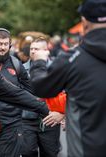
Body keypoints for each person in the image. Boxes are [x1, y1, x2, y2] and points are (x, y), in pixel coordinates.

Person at [29, 0, 106, 156]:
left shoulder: (71, 59)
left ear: (84, 22)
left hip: (86, 149)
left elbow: (41, 88)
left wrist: (39, 62)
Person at [0, 28, 32, 157]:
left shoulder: (16, 65)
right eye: (0, 44)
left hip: (12, 125)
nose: (3, 47)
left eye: (6, 44)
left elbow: (29, 92)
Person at [21, 37, 65, 157]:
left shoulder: (57, 68)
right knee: (27, 152)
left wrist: (63, 114)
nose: (33, 51)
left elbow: (68, 93)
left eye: (37, 49)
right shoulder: (21, 69)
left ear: (46, 50)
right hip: (26, 120)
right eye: (32, 49)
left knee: (50, 153)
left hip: (50, 120)